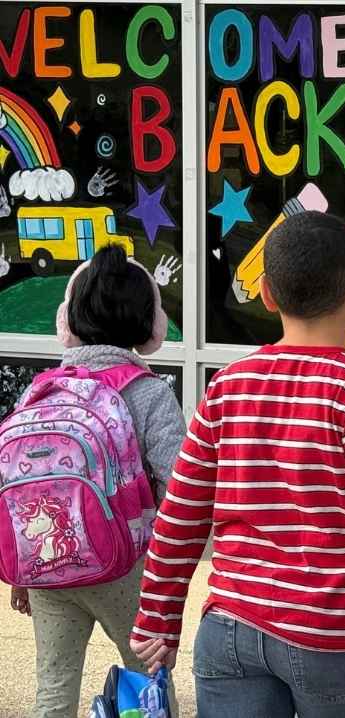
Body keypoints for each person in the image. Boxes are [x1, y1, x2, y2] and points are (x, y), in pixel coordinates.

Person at [129, 212, 345, 718]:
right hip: (332, 637)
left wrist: (158, 615)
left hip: (230, 630)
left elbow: (181, 512)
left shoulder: (228, 385)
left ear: (266, 294)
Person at [6, 245, 185, 718]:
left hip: (48, 566)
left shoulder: (39, 391)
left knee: (53, 686)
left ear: (68, 320)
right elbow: (182, 489)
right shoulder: (147, 393)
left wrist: (25, 571)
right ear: (149, 327)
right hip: (125, 569)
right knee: (148, 682)